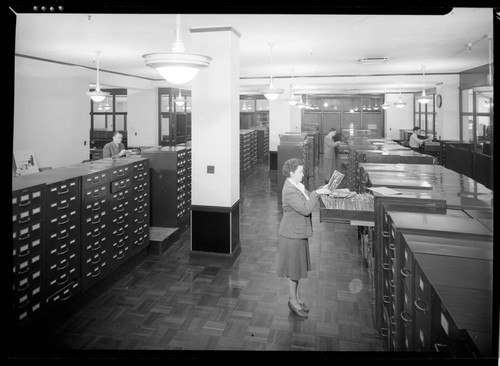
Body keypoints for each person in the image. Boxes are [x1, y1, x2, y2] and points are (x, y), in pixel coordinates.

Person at [277, 158, 331, 319]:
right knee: (293, 271)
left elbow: (309, 196)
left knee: (297, 270)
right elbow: (306, 209)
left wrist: (322, 189)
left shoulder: (297, 186)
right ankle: (293, 302)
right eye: (300, 171)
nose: (303, 173)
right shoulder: (289, 190)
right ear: (292, 173)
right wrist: (316, 193)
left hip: (298, 233)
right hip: (291, 235)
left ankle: (297, 299)